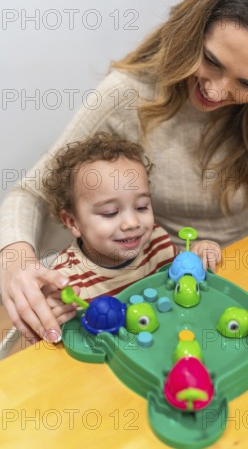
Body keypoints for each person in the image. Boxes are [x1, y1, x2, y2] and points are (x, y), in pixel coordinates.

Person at [0, 0, 248, 381]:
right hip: (159, 272)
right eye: (211, 60)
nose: (214, 88)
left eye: (246, 83)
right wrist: (15, 255)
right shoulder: (128, 93)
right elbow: (31, 190)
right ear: (193, 29)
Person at [40, 131, 221, 329]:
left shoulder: (158, 242)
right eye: (110, 212)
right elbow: (55, 344)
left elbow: (181, 281)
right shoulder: (66, 280)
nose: (132, 223)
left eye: (142, 206)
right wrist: (55, 318)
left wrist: (198, 253)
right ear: (73, 222)